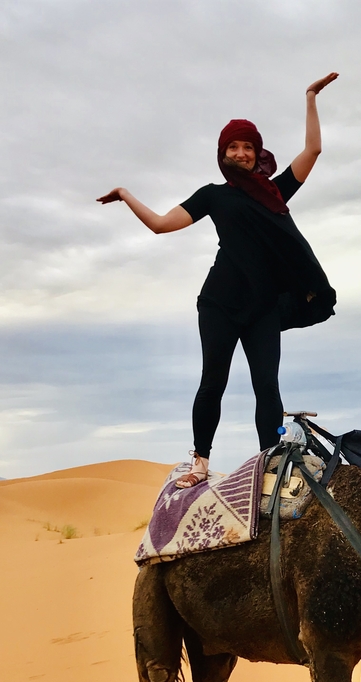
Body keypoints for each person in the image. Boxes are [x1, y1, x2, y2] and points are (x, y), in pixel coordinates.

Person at [97, 73, 338, 488]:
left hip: (262, 306)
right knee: (214, 381)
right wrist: (125, 194)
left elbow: (313, 149)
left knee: (267, 386)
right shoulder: (213, 195)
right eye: (233, 146)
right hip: (220, 303)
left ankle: (270, 463)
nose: (241, 152)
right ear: (222, 154)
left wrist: (311, 96)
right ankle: (201, 462)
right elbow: (159, 224)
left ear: (257, 153)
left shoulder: (275, 192)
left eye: (248, 146)